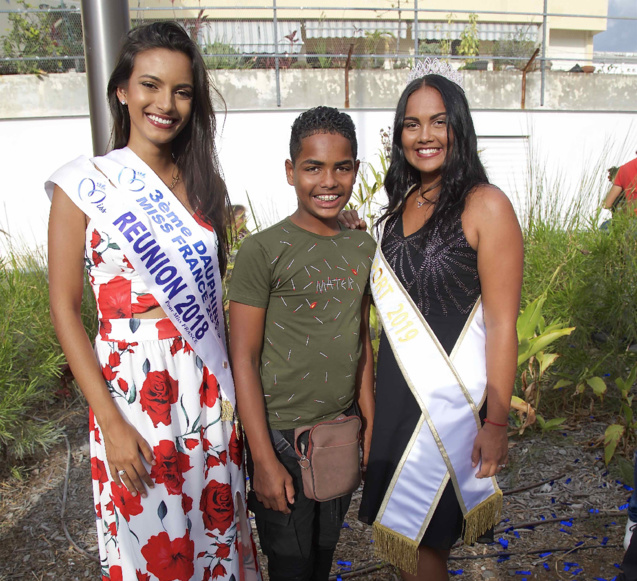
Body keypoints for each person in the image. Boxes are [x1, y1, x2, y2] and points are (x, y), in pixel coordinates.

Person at [46, 22, 260, 581]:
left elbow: (220, 294)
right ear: (122, 90)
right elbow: (65, 309)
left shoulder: (204, 184)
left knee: (214, 540)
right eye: (150, 85)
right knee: (151, 544)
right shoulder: (84, 186)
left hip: (205, 387)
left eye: (182, 91)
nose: (165, 104)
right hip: (129, 390)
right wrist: (111, 424)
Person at [341, 64, 524, 580]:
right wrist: (358, 236)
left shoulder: (486, 206)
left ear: (458, 127)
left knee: (427, 549)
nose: (425, 136)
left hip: (450, 409)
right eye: (412, 124)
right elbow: (390, 299)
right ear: (400, 134)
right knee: (408, 541)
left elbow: (504, 325)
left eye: (438, 122)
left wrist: (496, 421)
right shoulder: (399, 205)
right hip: (399, 397)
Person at [228, 106, 376, 580]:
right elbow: (243, 360)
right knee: (290, 563)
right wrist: (265, 461)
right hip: (282, 439)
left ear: (356, 168)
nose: (328, 181)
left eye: (342, 166)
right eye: (313, 167)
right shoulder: (262, 250)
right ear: (291, 171)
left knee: (323, 557)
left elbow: (360, 339)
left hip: (338, 434)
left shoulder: (361, 246)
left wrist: (368, 424)